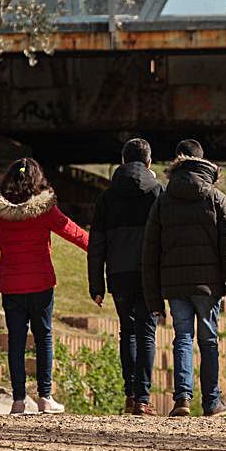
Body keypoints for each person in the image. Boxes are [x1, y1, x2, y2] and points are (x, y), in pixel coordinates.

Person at [0, 157, 89, 415]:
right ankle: (45, 398)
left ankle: (18, 401)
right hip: (40, 284)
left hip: (10, 286)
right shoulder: (44, 210)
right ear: (37, 180)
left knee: (16, 341)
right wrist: (102, 250)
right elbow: (74, 233)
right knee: (43, 338)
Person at [142, 138, 226, 419]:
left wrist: (153, 297)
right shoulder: (216, 198)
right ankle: (212, 402)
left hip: (175, 285)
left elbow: (150, 251)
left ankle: (182, 399)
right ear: (205, 163)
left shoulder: (164, 200)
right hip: (208, 285)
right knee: (209, 339)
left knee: (182, 338)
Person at [88, 137, 163, 416]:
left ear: (122, 161)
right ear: (149, 162)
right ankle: (143, 398)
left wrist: (95, 284)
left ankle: (130, 396)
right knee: (146, 333)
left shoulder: (106, 197)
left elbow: (96, 243)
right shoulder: (157, 192)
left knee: (127, 332)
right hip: (148, 274)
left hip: (118, 274)